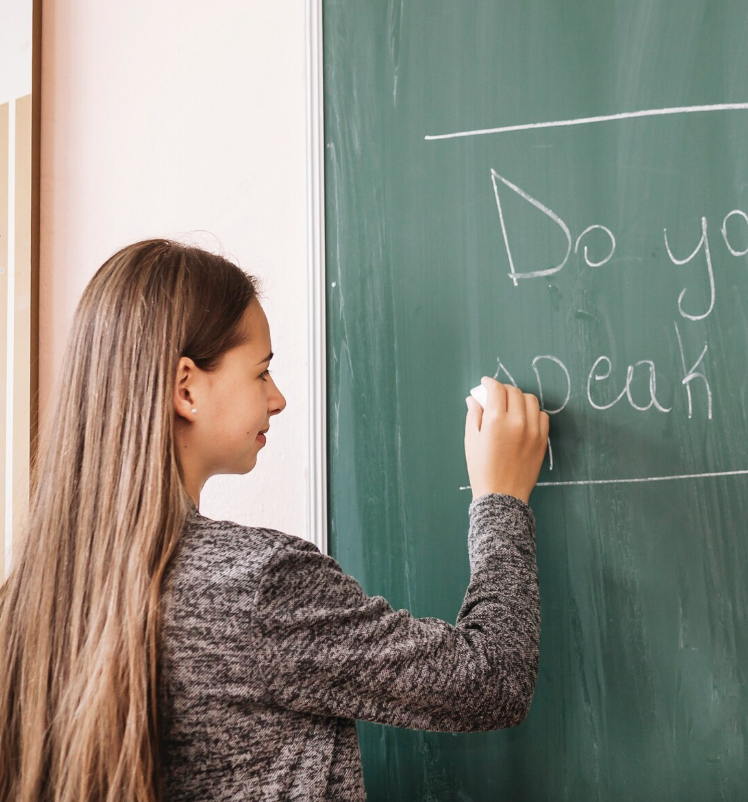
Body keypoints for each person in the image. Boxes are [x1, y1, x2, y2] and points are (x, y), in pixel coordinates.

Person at [0, 239, 549, 801]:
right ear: (185, 388)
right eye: (261, 373)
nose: (279, 398)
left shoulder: (25, 603)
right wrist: (500, 499)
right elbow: (492, 680)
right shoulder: (260, 585)